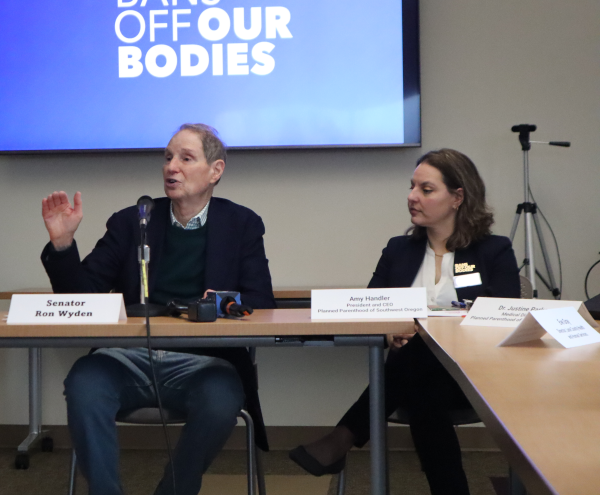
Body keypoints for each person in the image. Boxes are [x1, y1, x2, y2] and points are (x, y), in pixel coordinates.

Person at [40, 124, 275, 495]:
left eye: (186, 158)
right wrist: (64, 244)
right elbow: (82, 299)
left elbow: (261, 300)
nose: (171, 168)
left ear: (216, 171)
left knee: (222, 397)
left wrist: (222, 303)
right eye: (167, 158)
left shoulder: (241, 224)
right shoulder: (132, 221)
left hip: (206, 361)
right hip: (125, 357)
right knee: (84, 383)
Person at [289, 149, 520, 495]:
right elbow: (369, 311)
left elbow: (501, 318)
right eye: (412, 187)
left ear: (458, 197)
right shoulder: (399, 250)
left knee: (421, 360)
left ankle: (344, 436)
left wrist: (431, 329)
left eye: (426, 190)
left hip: (474, 377)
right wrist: (389, 332)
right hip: (419, 375)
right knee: (423, 384)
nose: (412, 197)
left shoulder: (494, 251)